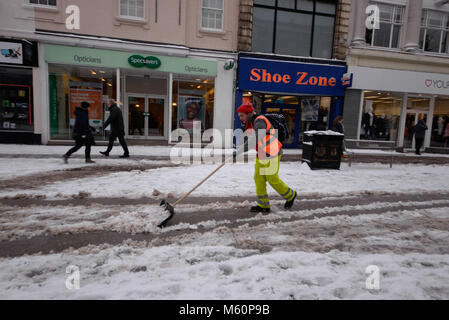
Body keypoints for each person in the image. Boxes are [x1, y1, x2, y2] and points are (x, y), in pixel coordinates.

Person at [235, 102, 296, 213]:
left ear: (248, 114)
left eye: (241, 115)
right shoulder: (252, 123)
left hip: (272, 153)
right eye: (239, 116)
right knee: (259, 179)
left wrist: (240, 151)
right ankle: (263, 205)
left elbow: (255, 138)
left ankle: (291, 195)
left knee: (272, 179)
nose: (240, 118)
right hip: (262, 154)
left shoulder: (260, 121)